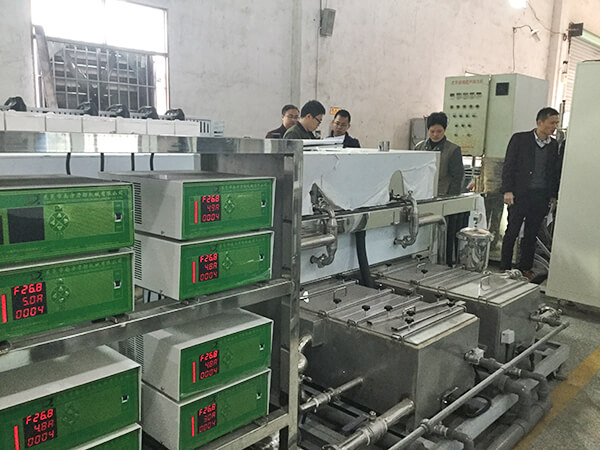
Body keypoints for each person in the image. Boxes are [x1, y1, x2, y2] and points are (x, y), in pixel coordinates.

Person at [499, 107, 561, 280]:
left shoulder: (553, 145)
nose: (555, 126)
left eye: (557, 123)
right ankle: (505, 267)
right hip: (519, 194)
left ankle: (525, 268)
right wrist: (508, 190)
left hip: (540, 196)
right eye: (552, 123)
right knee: (512, 231)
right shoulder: (520, 139)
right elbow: (509, 165)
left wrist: (553, 196)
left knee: (531, 234)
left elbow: (553, 172)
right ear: (540, 122)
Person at [415, 112, 465, 266]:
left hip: (444, 196)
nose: (435, 135)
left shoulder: (453, 150)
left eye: (439, 131)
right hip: (423, 196)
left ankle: (446, 262)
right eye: (432, 131)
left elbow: (458, 177)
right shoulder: (419, 148)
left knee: (446, 232)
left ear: (445, 130)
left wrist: (451, 199)